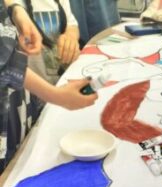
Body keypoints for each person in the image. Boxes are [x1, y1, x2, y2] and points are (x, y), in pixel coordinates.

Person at [0, 0, 96, 172]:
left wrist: (16, 11)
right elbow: (6, 61)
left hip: (24, 104)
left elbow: (71, 24)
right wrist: (55, 95)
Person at [24, 0, 80, 83]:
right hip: (31, 85)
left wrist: (70, 37)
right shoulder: (11, 5)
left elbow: (71, 24)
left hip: (63, 79)